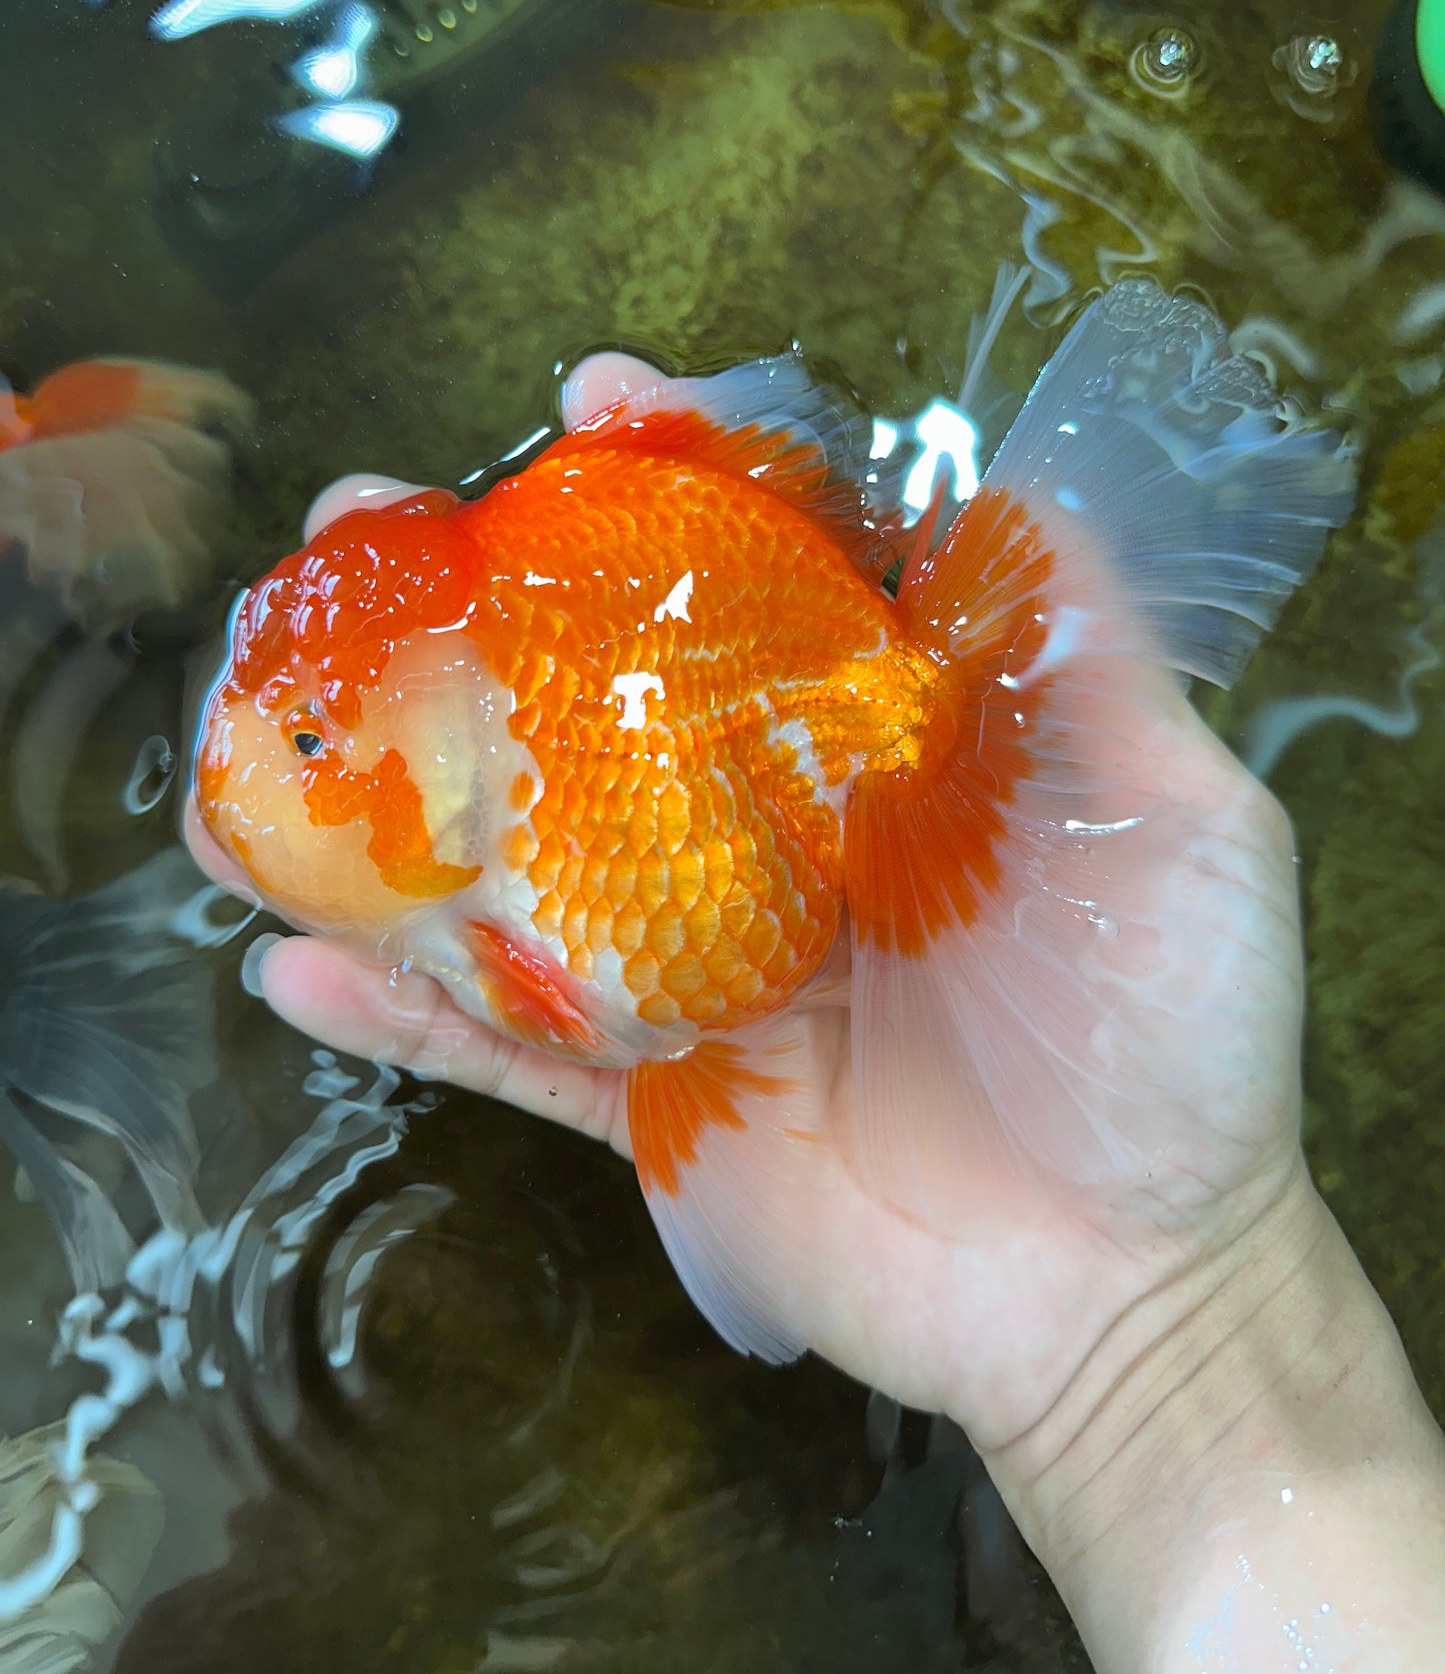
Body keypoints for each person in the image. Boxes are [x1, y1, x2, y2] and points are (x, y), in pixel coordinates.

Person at [189, 473, 1445, 1674]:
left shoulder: (513, 901)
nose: (249, 773)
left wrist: (1183, 1290)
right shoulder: (469, 890)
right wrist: (1179, 1318)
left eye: (306, 740)